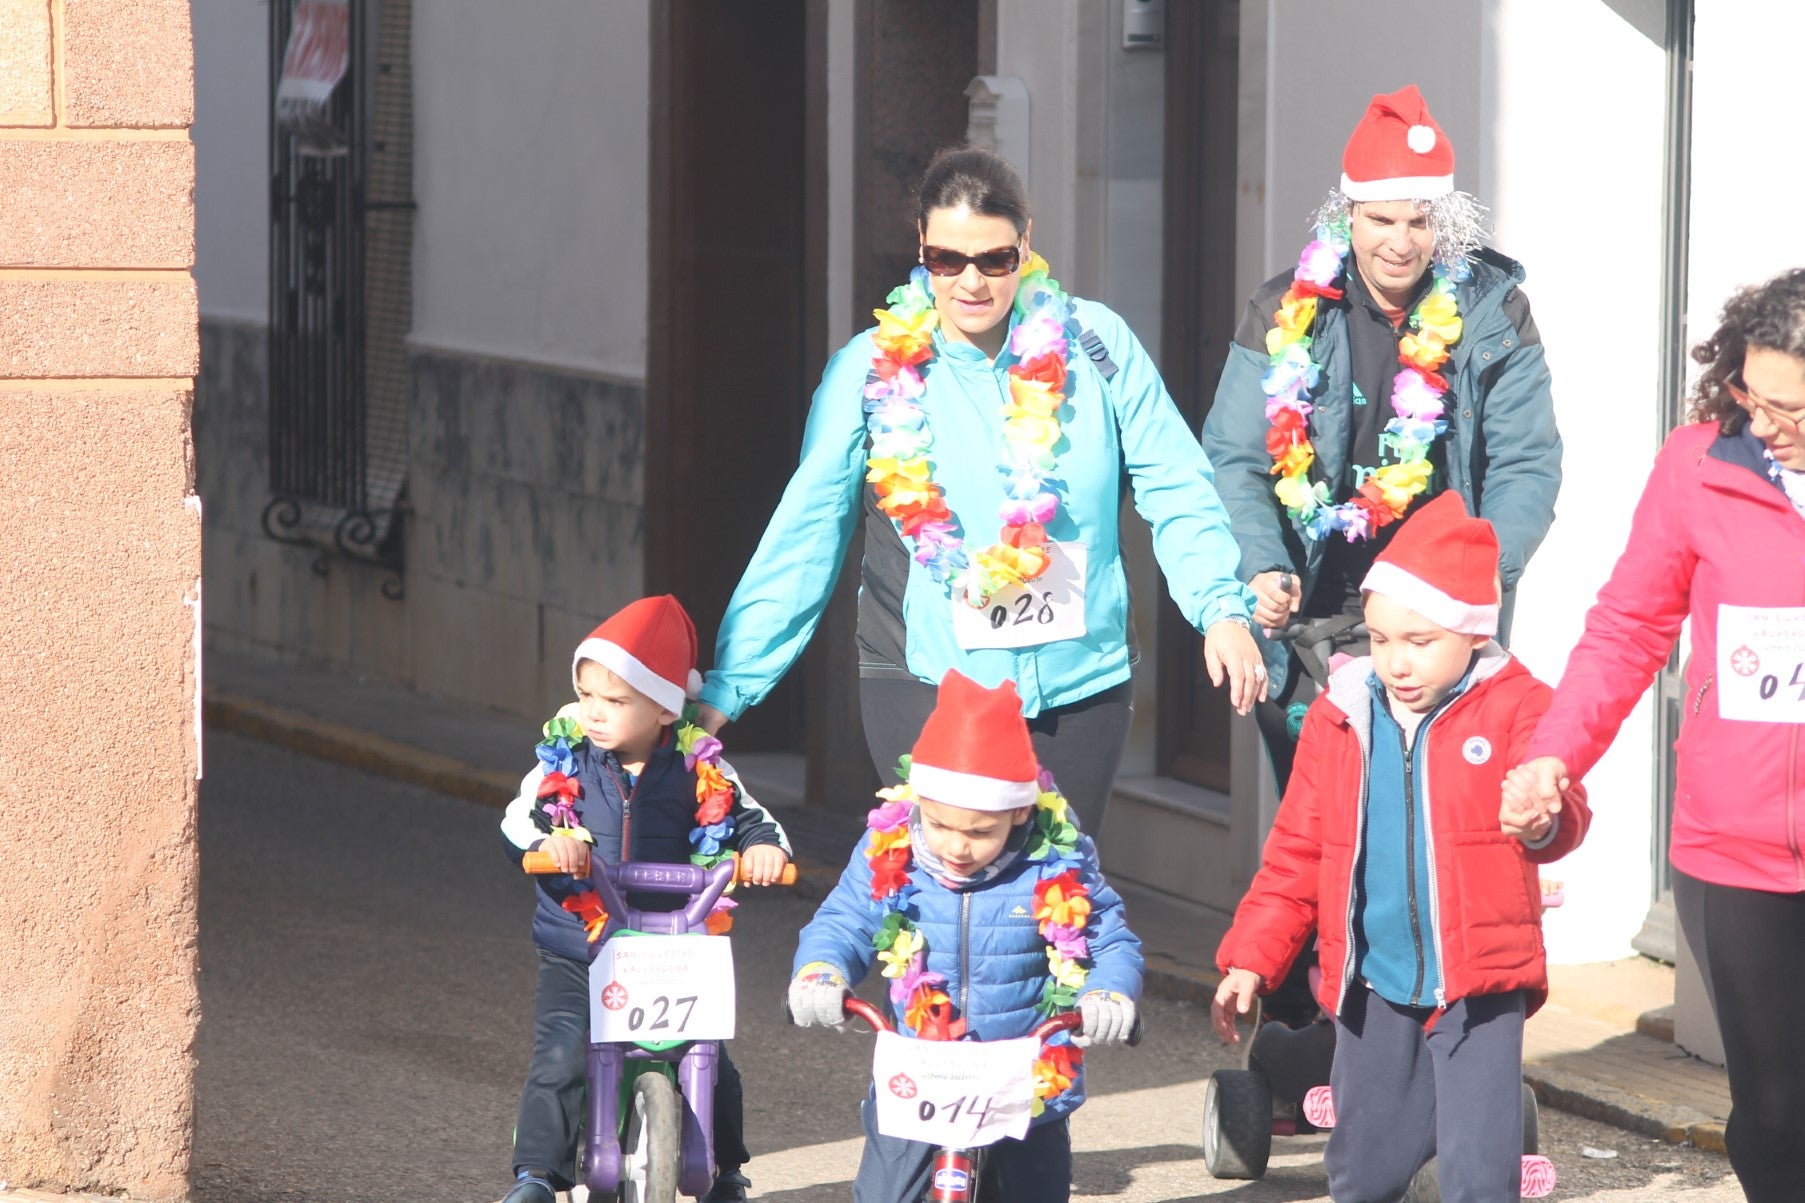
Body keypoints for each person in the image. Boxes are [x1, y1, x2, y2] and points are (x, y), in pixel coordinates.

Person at [694, 144, 1264, 833]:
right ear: (921, 250)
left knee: (1051, 908)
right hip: (925, 678)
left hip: (1077, 680)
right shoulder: (869, 370)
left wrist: (1219, 607)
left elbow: (1174, 479)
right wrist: (732, 682)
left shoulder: (1094, 342)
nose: (971, 281)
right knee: (939, 901)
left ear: (1024, 245)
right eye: (946, 260)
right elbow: (806, 529)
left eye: (993, 259)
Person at [1505, 269, 1805, 1203]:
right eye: (1753, 395)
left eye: (1790, 405)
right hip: (1737, 844)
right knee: (1778, 1111)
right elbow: (1630, 625)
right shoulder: (1699, 463)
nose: (1765, 422)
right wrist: (1555, 751)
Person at [1211, 493, 1589, 1201]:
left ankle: (1469, 1148)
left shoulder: (1518, 705)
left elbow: (1563, 813)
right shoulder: (1341, 715)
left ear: (1473, 632)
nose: (1395, 661)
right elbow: (1295, 850)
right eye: (1380, 639)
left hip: (1480, 982)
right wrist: (1249, 957)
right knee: (1365, 1172)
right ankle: (1406, 1136)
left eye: (1419, 641)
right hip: (1371, 980)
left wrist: (1540, 818)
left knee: (1479, 1177)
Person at [1201, 84, 1562, 792]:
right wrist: (1260, 565)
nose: (1400, 241)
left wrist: (1484, 571)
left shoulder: (1494, 313)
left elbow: (1527, 464)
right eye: (1381, 219)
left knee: (1434, 820)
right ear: (1347, 217)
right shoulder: (1284, 310)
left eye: (1420, 221)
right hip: (1317, 612)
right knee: (1319, 841)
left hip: (1440, 617)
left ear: (1444, 225)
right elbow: (1235, 459)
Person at [786, 669, 1143, 1203]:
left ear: (1020, 810)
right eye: (940, 825)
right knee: (883, 1194)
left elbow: (1108, 940)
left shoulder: (1055, 865)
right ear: (918, 803)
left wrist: (1108, 992)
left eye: (980, 832)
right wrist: (821, 971)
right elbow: (847, 920)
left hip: (1022, 1078)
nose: (957, 846)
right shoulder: (890, 851)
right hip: (920, 1072)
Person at [498, 595, 792, 1203]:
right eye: (586, 696)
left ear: (665, 706)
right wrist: (551, 842)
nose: (594, 714)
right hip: (578, 947)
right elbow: (516, 823)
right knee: (562, 1055)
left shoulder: (699, 766)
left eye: (615, 701)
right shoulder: (565, 761)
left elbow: (753, 821)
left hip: (672, 949)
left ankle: (724, 1168)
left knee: (712, 1064)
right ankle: (536, 1177)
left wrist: (765, 850)